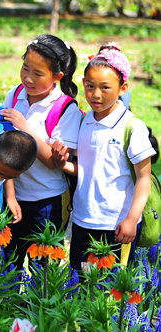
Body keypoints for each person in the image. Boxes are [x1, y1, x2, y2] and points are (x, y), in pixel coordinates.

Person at [51, 47, 155, 270]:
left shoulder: (132, 127)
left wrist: (131, 218)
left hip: (116, 224)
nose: (95, 94)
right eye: (90, 86)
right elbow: (89, 168)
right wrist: (64, 165)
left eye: (105, 87)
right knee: (81, 283)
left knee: (111, 291)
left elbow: (144, 178)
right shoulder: (86, 120)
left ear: (122, 88)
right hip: (83, 219)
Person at [0, 34, 83, 268]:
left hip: (48, 203)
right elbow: (4, 151)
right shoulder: (15, 96)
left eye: (38, 74)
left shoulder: (65, 109)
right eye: (25, 68)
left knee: (43, 270)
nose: (28, 78)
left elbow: (51, 161)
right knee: (8, 266)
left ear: (57, 77)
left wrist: (25, 128)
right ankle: (8, 306)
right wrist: (10, 195)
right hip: (14, 198)